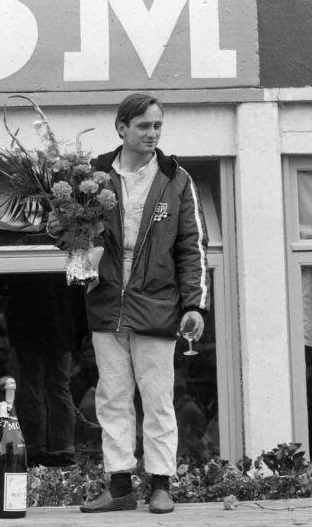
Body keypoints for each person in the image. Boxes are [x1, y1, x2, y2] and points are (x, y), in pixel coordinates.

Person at [50, 94, 209, 515]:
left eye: (158, 126)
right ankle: (119, 486)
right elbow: (73, 236)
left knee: (158, 398)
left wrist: (194, 306)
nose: (153, 133)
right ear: (121, 127)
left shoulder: (176, 178)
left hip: (157, 304)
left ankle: (160, 484)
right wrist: (58, 228)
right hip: (106, 302)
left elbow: (192, 246)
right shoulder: (95, 175)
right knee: (112, 397)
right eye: (144, 126)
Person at [5, 273, 84, 466]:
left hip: (28, 315)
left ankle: (35, 448)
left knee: (31, 384)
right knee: (57, 386)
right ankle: (61, 448)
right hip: (59, 317)